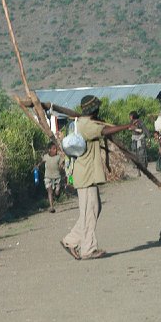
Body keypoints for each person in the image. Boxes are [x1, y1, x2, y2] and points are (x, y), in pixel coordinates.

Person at [61, 95, 136, 260]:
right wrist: (127, 126)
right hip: (85, 176)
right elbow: (104, 131)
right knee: (90, 211)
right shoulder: (86, 125)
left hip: (86, 175)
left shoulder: (83, 122)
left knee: (92, 210)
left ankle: (71, 240)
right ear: (93, 109)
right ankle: (87, 248)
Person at [39, 143, 64, 213]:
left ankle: (57, 194)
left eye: (56, 149)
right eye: (53, 149)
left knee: (56, 192)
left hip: (57, 177)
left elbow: (61, 165)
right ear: (49, 150)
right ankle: (51, 207)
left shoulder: (58, 157)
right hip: (48, 177)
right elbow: (41, 162)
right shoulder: (46, 156)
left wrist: (61, 166)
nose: (55, 150)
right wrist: (37, 166)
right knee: (50, 191)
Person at [129, 111, 150, 176]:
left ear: (133, 116)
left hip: (141, 139)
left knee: (142, 155)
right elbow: (129, 128)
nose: (129, 117)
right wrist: (133, 129)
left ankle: (144, 170)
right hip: (134, 140)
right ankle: (138, 172)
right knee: (135, 156)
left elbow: (145, 130)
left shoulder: (140, 122)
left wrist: (149, 139)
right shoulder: (131, 122)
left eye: (130, 116)